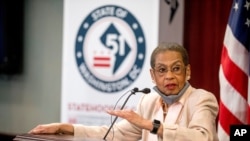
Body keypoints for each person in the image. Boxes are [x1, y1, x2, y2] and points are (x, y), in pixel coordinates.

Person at [29, 42, 219, 141]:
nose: (169, 76)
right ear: (152, 76)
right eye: (162, 70)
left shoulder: (202, 99)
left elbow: (202, 138)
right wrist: (66, 128)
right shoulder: (149, 101)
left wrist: (151, 125)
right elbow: (113, 135)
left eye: (176, 68)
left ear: (188, 71)